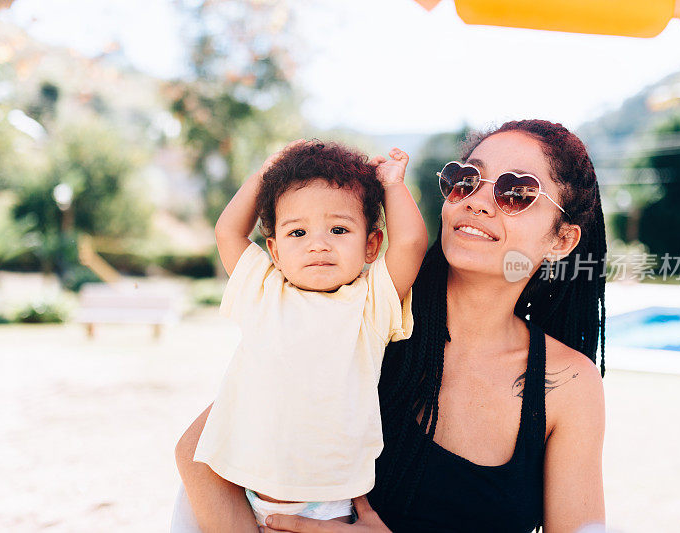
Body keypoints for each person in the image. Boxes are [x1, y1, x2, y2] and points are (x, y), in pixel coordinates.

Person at [172, 120, 607, 533]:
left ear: (562, 240)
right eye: (465, 178)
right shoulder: (364, 316)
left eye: (517, 191)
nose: (476, 200)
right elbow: (198, 454)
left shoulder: (569, 384)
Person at [189, 140, 428, 527]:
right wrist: (264, 176)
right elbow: (228, 232)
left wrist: (393, 187)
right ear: (275, 250)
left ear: (371, 245)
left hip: (330, 506)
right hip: (247, 495)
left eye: (338, 229)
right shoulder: (263, 291)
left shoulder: (370, 303)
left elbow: (412, 243)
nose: (318, 244)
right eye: (297, 233)